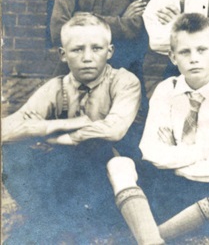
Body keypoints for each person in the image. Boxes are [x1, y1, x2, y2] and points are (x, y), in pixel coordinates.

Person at [107, 14, 209, 244]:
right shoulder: (166, 89)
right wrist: (200, 151)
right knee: (119, 164)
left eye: (202, 50)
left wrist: (173, 153)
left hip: (207, 190)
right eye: (185, 52)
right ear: (173, 57)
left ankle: (151, 236)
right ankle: (152, 241)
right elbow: (149, 152)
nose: (194, 59)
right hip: (165, 187)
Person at [3, 14, 142, 242]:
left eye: (96, 48)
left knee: (95, 146)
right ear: (63, 54)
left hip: (106, 171)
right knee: (13, 150)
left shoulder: (124, 81)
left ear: (110, 51)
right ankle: (52, 217)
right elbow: (5, 129)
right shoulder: (56, 87)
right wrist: (66, 123)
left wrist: (57, 137)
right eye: (77, 50)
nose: (87, 58)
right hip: (67, 170)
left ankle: (72, 221)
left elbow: (114, 129)